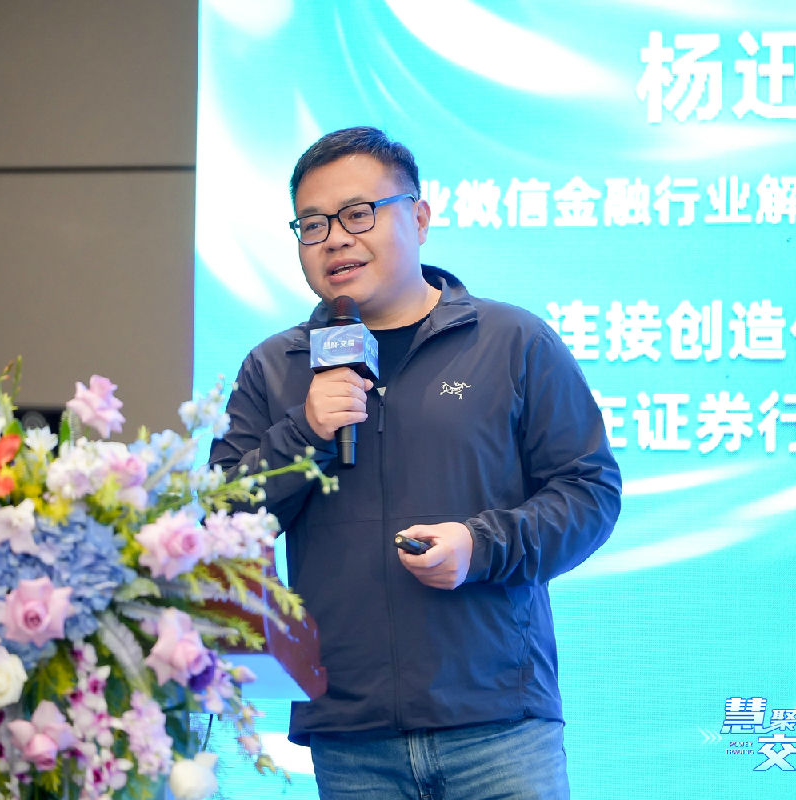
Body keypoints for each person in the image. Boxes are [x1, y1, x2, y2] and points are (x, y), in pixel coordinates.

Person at [209, 126, 621, 800]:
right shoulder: (276, 367)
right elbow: (221, 521)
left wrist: (480, 545)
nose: (335, 239)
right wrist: (305, 431)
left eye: (357, 214)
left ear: (420, 218)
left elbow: (589, 492)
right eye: (312, 225)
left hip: (498, 723)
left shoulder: (510, 341)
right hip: (350, 734)